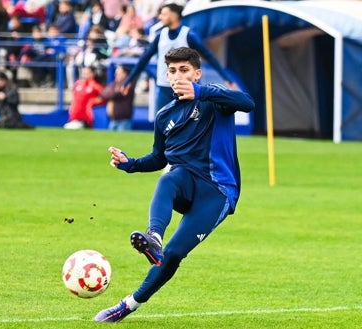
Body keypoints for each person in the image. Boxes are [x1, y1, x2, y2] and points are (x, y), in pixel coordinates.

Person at [94, 47, 254, 322]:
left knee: (174, 254)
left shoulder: (213, 98)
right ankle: (153, 237)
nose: (178, 75)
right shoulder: (164, 116)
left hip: (217, 192)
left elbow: (247, 102)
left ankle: (127, 305)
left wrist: (202, 92)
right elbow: (158, 158)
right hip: (184, 182)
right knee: (169, 176)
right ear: (166, 76)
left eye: (184, 70)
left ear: (197, 74)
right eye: (172, 70)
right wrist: (129, 163)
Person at [122, 0, 235, 113]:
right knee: (163, 124)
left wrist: (227, 78)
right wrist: (129, 80)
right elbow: (144, 59)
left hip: (187, 87)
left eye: (164, 14)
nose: (160, 17)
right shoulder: (160, 36)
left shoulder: (189, 35)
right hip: (165, 87)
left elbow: (209, 56)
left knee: (189, 123)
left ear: (174, 16)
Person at [100, 65, 135, 131]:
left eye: (119, 73)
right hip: (113, 120)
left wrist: (111, 92)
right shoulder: (114, 84)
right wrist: (112, 92)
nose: (116, 75)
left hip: (124, 121)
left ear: (125, 74)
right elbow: (103, 93)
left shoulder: (128, 85)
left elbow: (115, 94)